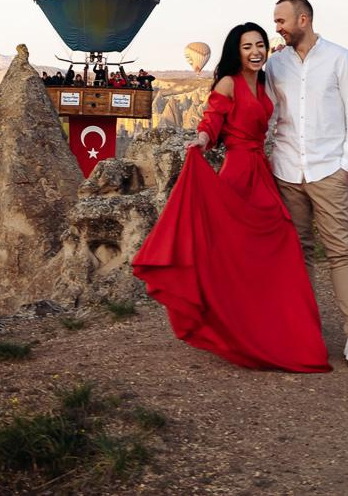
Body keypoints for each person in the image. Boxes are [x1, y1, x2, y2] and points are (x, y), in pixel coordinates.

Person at [131, 23, 330, 372]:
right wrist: (203, 140)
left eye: (260, 45)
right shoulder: (229, 83)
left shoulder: (267, 80)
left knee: (280, 244)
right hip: (239, 171)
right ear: (235, 52)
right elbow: (213, 120)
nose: (255, 51)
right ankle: (235, 326)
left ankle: (273, 326)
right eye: (247, 46)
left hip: (261, 171)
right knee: (234, 252)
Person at [266, 0, 348, 369]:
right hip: (287, 170)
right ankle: (304, 331)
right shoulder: (275, 65)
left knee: (340, 251)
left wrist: (346, 169)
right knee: (298, 255)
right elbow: (265, 111)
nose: (276, 28)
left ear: (303, 20)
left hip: (329, 170)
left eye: (281, 21)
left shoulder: (340, 58)